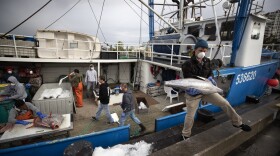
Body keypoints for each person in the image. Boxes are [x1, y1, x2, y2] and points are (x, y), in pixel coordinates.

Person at [181, 39, 251, 140]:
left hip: (206, 90)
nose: (203, 53)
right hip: (193, 93)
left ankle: (237, 123)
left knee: (225, 103)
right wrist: (199, 84)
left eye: (205, 51)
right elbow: (189, 79)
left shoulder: (207, 61)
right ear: (195, 50)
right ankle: (185, 135)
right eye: (200, 50)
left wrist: (210, 78)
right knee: (190, 115)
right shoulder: (187, 64)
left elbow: (210, 73)